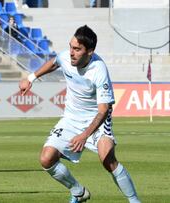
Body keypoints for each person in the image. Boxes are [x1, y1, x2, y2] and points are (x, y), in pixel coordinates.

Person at [19, 25, 141, 203]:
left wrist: (84, 135)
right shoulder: (65, 57)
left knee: (107, 158)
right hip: (71, 118)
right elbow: (54, 62)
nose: (71, 52)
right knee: (46, 159)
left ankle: (134, 200)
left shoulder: (99, 70)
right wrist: (31, 78)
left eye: (77, 49)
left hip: (96, 119)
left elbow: (103, 110)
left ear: (90, 51)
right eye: (71, 47)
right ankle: (78, 192)